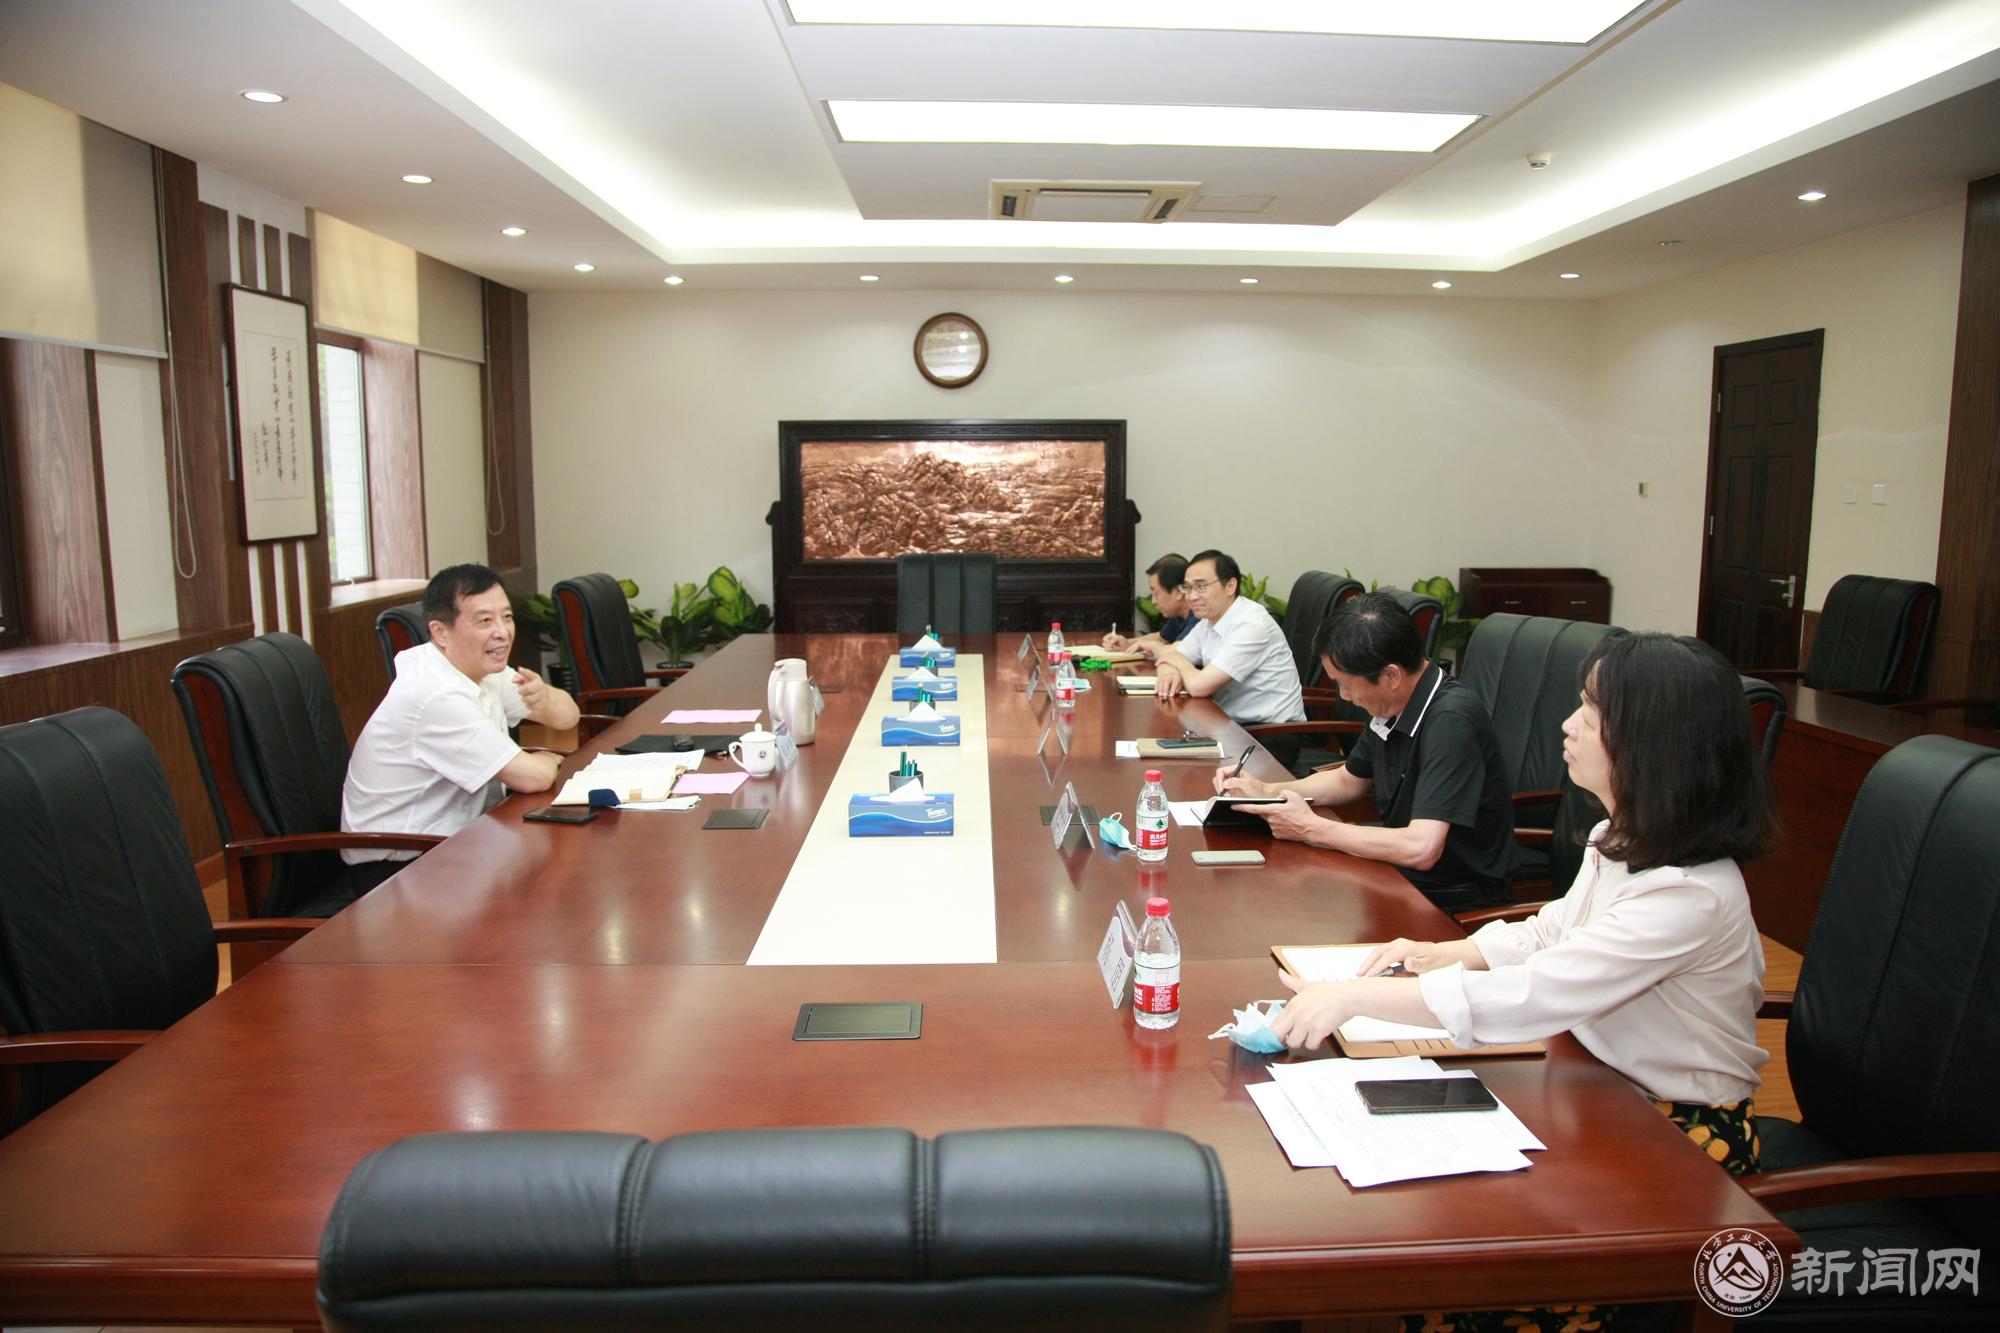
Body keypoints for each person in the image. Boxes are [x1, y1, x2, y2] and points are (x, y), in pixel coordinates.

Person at [1269, 633, 1773, 1333]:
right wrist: (1445, 952)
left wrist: (1354, 998)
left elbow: (1541, 991)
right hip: (1594, 1085)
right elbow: (1547, 934)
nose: (1569, 724)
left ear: (1653, 742)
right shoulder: (1621, 838)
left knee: (1465, 1274)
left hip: (1675, 1135)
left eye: (1591, 712)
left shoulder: (1690, 893)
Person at [1216, 591, 1513, 911]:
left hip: (1448, 895)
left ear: (1391, 675)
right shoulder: (1394, 703)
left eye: (1345, 684)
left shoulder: (1451, 720)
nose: (1344, 696)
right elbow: (1348, 780)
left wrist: (1312, 828)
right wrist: (1266, 791)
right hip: (1398, 873)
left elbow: (1422, 848)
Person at [341, 564, 580, 879]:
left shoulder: (480, 667)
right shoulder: (434, 694)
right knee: (554, 875)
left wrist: (544, 698)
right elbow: (532, 778)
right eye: (485, 621)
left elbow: (568, 717)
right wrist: (550, 758)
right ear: (441, 632)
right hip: (398, 868)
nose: (502, 631)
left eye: (506, 617)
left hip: (456, 841)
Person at [1140, 548, 1304, 726]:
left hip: (1270, 731)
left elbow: (1198, 686)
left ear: (1230, 586)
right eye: (1187, 587)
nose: (1192, 596)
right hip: (1230, 724)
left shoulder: (1251, 625)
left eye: (1201, 586)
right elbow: (1169, 657)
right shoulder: (1208, 621)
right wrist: (1170, 672)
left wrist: (1178, 662)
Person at [1102, 553, 1195, 651]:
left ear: (1179, 592)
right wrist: (1127, 643)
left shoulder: (1198, 618)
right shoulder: (1179, 616)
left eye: (1156, 593)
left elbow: (1176, 652)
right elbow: (1161, 638)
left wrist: (1150, 646)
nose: (1153, 601)